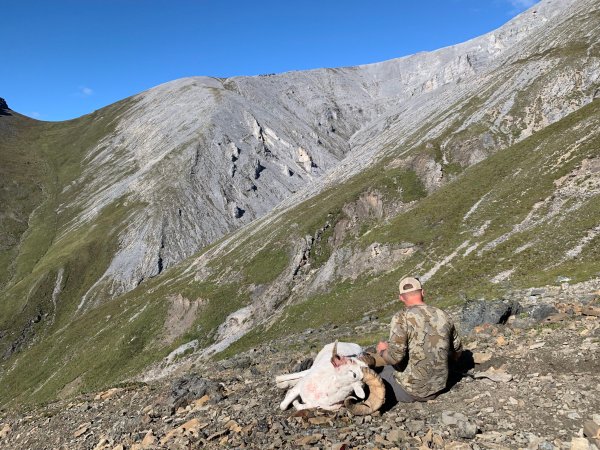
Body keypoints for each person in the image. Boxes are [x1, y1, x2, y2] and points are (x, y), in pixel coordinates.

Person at [363, 276, 462, 403]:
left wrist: (382, 351)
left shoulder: (401, 317)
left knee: (373, 374)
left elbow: (395, 358)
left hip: (413, 391)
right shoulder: (443, 315)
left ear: (401, 297)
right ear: (422, 292)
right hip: (440, 385)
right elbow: (457, 350)